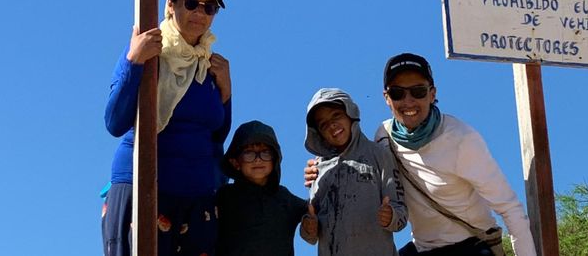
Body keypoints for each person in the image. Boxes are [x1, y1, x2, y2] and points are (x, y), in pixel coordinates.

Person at [305, 54, 537, 256]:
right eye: (397, 93)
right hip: (422, 249)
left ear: (432, 94)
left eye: (418, 91)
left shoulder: (461, 138)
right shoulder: (384, 136)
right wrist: (323, 168)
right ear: (387, 98)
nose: (408, 101)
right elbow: (357, 160)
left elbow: (509, 208)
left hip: (470, 245)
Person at [102, 0, 233, 256]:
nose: (200, 12)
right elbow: (115, 122)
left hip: (197, 199)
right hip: (141, 187)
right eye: (191, 2)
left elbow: (216, 136)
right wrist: (133, 62)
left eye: (209, 7)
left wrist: (227, 94)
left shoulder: (210, 64)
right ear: (171, 5)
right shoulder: (149, 48)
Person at [301, 88, 408, 256]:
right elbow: (311, 234)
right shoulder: (317, 170)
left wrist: (391, 216)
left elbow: (401, 213)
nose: (332, 125)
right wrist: (308, 228)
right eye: (323, 124)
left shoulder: (379, 155)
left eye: (336, 115)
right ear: (319, 134)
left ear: (351, 113)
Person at [216, 120, 310, 256]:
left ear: (275, 159)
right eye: (249, 153)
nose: (258, 159)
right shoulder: (224, 197)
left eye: (265, 152)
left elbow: (316, 210)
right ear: (235, 162)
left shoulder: (285, 198)